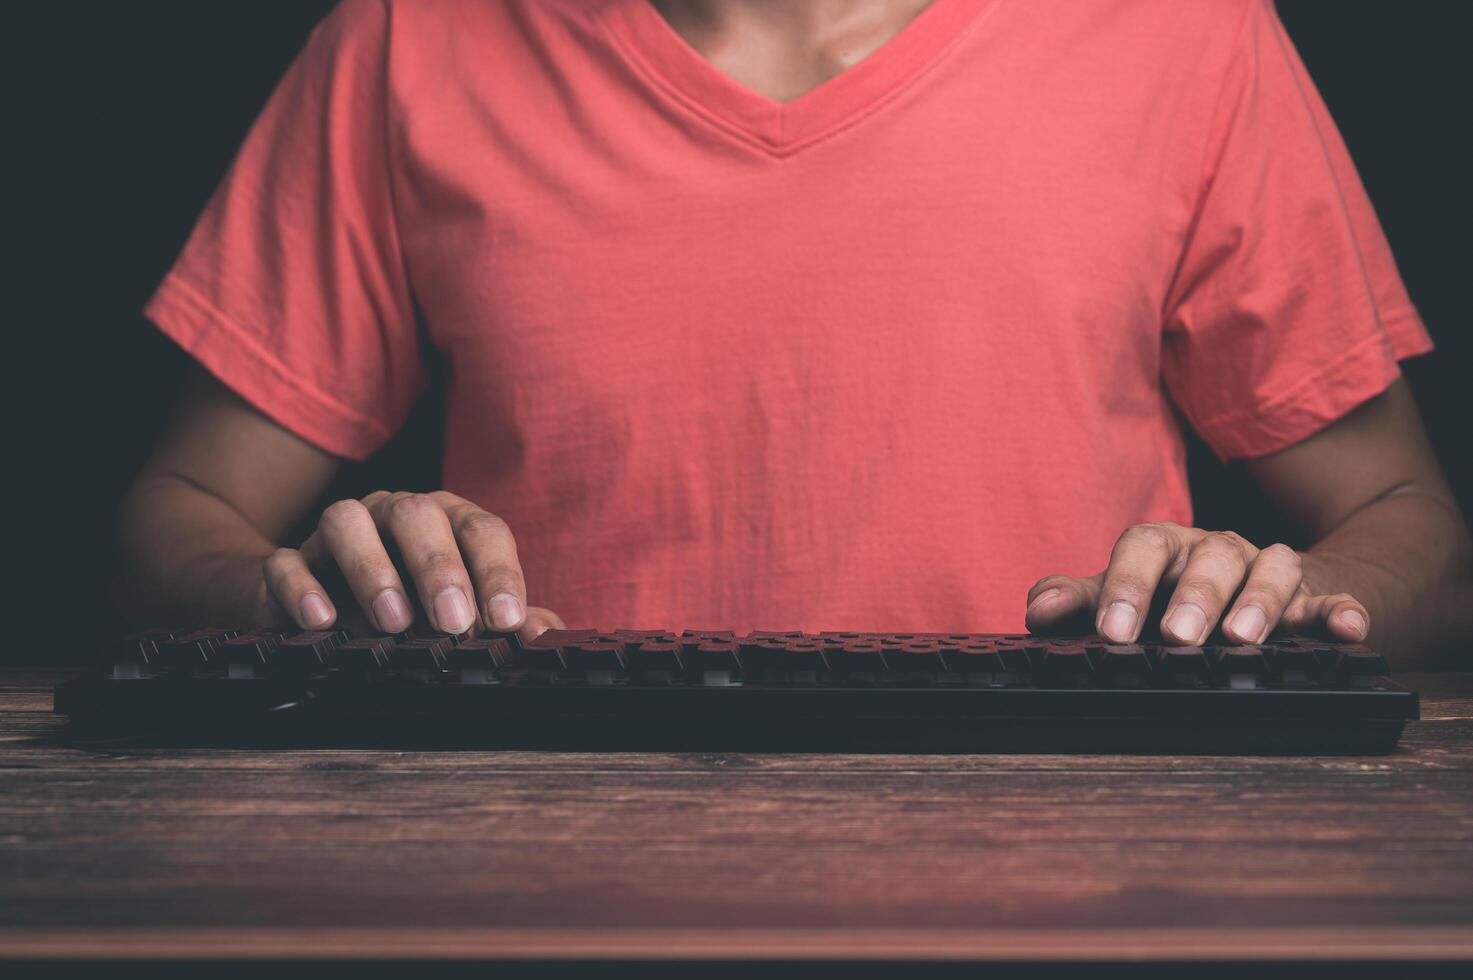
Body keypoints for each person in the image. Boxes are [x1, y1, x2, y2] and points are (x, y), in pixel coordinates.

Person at [118, 0, 1472, 667]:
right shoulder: (410, 33)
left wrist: (1286, 608)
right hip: (529, 878)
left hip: (1081, 887)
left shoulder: (1185, 31)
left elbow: (1406, 518)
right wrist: (295, 600)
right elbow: (176, 517)